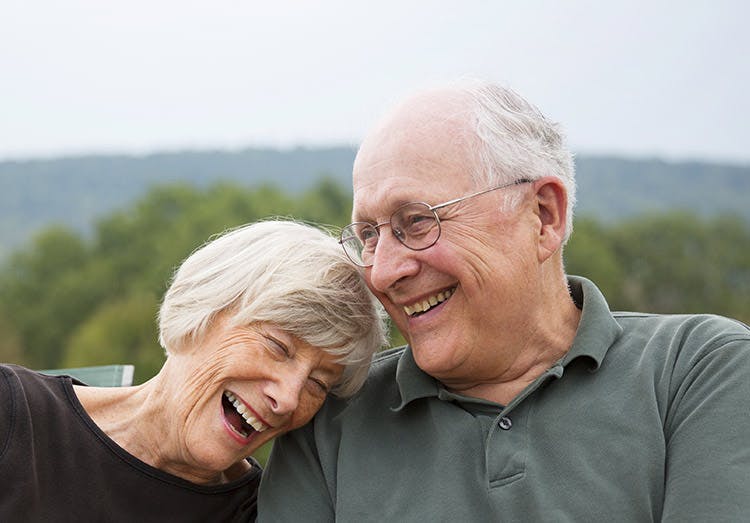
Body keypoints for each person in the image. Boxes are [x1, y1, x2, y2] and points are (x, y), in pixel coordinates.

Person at [258, 81, 750, 521]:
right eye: (368, 234)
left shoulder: (697, 370)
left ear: (543, 215)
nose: (384, 271)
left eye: (417, 221)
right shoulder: (332, 424)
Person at [0, 220, 386, 521]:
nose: (287, 398)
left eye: (318, 384)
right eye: (278, 347)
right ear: (203, 309)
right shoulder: (14, 415)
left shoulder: (264, 514)